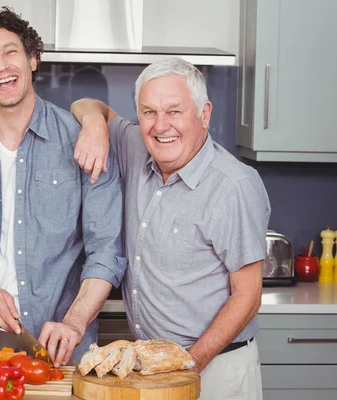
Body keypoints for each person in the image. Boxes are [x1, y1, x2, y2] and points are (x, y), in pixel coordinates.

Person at [0, 7, 126, 366]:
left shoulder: (83, 139)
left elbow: (106, 252)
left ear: (33, 60)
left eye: (10, 52)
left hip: (65, 345)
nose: (1, 67)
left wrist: (75, 321)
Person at [71, 58, 270, 399]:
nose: (161, 126)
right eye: (148, 112)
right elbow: (88, 105)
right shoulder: (136, 146)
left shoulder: (234, 185)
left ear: (204, 114)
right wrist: (94, 125)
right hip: (154, 370)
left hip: (215, 368)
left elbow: (248, 296)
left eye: (175, 111)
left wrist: (190, 365)